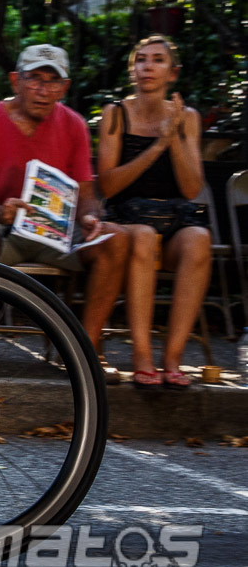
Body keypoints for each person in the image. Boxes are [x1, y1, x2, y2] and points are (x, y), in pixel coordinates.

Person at [0, 43, 128, 377]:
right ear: (15, 80)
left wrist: (90, 216)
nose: (43, 90)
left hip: (57, 233)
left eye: (53, 82)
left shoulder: (75, 124)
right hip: (4, 233)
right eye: (35, 79)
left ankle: (85, 353)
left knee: (116, 238)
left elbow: (86, 193)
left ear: (64, 87)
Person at [96, 35, 210, 388]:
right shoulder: (116, 114)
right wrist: (157, 144)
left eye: (157, 60)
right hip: (128, 219)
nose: (147, 66)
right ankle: (142, 357)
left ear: (172, 73)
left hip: (174, 218)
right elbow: (108, 186)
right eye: (141, 59)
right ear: (133, 69)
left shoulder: (188, 118)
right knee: (144, 237)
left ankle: (172, 358)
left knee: (200, 239)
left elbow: (193, 188)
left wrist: (173, 137)